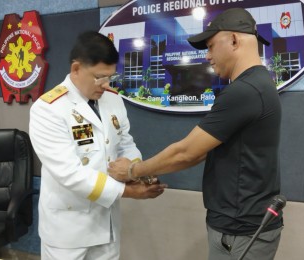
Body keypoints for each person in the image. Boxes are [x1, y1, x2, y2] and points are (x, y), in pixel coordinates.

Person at [108, 8, 283, 260]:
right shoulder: (258, 84)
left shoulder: (245, 91)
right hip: (245, 222)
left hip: (239, 228)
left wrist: (133, 171)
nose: (208, 56)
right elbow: (201, 150)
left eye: (211, 46)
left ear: (234, 40)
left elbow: (186, 152)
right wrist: (149, 171)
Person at [29, 31, 167, 260]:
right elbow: (70, 173)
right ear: (76, 69)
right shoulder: (48, 109)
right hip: (68, 229)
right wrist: (128, 191)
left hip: (107, 223)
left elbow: (125, 144)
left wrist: (135, 170)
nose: (105, 84)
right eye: (99, 77)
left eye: (110, 78)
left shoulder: (113, 99)